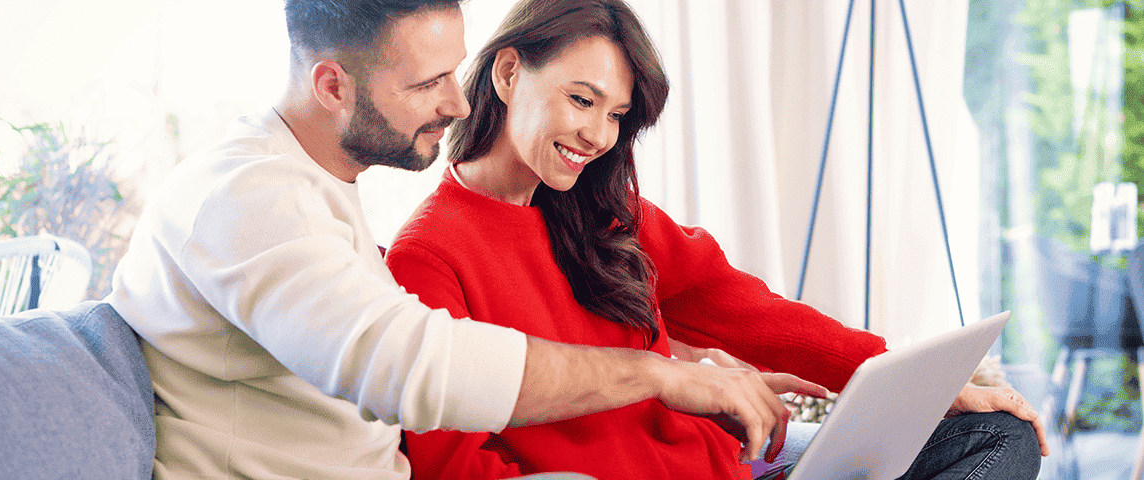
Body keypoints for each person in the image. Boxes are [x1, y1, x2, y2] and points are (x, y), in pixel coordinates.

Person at [105, 1, 809, 478]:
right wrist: (661, 375)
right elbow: (410, 365)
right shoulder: (245, 197)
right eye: (428, 82)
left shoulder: (314, 187)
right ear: (332, 86)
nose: (460, 102)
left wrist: (683, 362)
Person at [383, 0, 1049, 479]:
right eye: (581, 100)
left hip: (732, 466)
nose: (599, 136)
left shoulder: (605, 212)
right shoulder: (428, 258)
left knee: (997, 437)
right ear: (507, 73)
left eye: (616, 115)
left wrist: (925, 386)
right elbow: (454, 466)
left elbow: (751, 312)